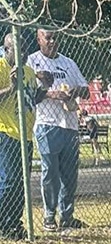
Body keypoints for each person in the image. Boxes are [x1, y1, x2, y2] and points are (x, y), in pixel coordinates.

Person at [26, 29, 90, 232]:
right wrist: (52, 94)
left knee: (70, 175)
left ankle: (67, 216)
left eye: (56, 38)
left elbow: (86, 90)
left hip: (69, 124)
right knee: (50, 173)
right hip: (47, 124)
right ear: (39, 39)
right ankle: (49, 216)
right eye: (48, 38)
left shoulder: (68, 63)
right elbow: (29, 95)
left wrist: (75, 91)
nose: (53, 41)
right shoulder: (32, 62)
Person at [0, 33, 36, 239]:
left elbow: (31, 100)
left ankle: (13, 224)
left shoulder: (28, 72)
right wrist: (11, 88)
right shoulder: (1, 68)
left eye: (24, 48)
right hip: (6, 133)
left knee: (22, 183)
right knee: (9, 181)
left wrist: (45, 87)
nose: (22, 53)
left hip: (26, 136)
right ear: (6, 50)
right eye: (16, 49)